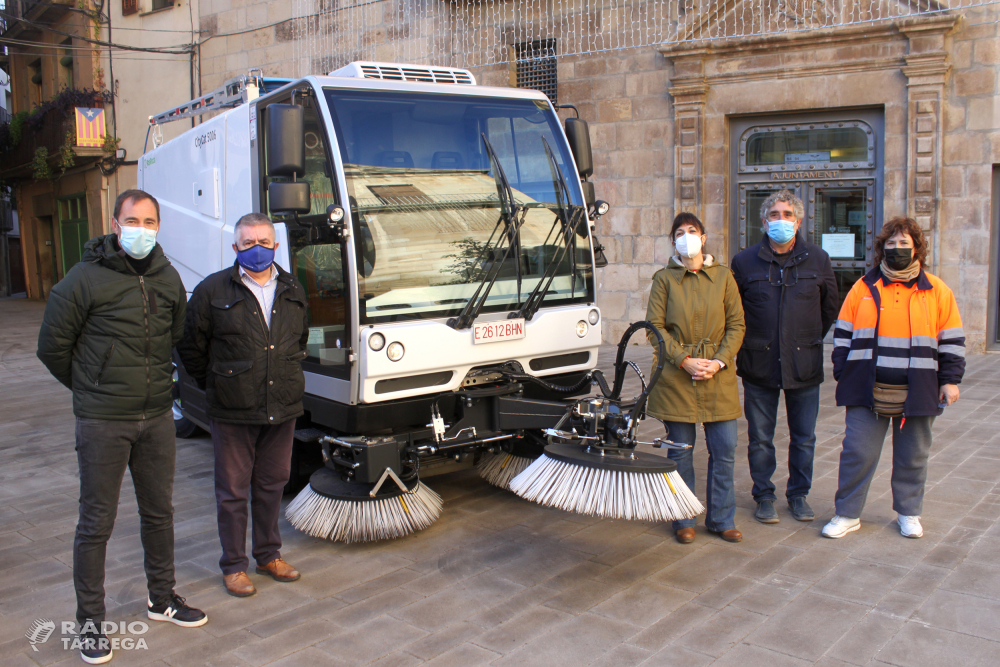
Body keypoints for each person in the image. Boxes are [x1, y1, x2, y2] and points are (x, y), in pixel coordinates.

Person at [36, 190, 207, 665]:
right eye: (132, 220)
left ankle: (162, 598)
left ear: (158, 227)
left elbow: (173, 337)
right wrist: (91, 388)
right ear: (115, 224)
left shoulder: (168, 277)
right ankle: (90, 623)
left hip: (155, 418)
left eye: (150, 221)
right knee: (96, 523)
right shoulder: (83, 279)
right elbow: (52, 347)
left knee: (159, 513)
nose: (141, 228)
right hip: (102, 422)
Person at [177, 212, 309, 597]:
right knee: (232, 491)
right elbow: (191, 346)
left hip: (281, 405)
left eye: (263, 241)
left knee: (272, 485)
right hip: (233, 409)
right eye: (247, 243)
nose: (256, 249)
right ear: (235, 247)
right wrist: (217, 383)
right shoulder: (212, 290)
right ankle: (233, 566)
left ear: (275, 245)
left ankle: (269, 555)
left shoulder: (293, 288)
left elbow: (298, 341)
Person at [823, 216, 964, 540]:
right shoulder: (862, 288)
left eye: (904, 244)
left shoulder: (937, 290)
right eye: (891, 244)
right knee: (857, 452)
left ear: (917, 248)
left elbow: (952, 340)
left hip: (919, 389)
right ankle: (847, 513)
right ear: (880, 248)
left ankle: (909, 513)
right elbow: (842, 334)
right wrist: (844, 373)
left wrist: (950, 379)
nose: (897, 249)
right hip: (866, 389)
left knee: (913, 455)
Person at [731, 190, 839, 524]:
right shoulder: (744, 261)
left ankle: (798, 495)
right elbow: (734, 312)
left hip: (803, 364)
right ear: (764, 221)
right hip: (758, 364)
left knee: (804, 437)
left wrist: (805, 340)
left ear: (799, 220)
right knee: (760, 438)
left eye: (788, 214)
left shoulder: (818, 259)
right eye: (775, 214)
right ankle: (763, 495)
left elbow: (829, 306)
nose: (781, 220)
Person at [645, 212, 746, 544]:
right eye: (679, 232)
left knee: (725, 448)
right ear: (672, 240)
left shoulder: (723, 277)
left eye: (692, 231)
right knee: (680, 451)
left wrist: (717, 362)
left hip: (718, 376)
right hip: (678, 377)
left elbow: (736, 325)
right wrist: (684, 360)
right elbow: (654, 328)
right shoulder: (664, 279)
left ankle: (721, 518)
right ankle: (682, 518)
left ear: (703, 238)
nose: (686, 236)